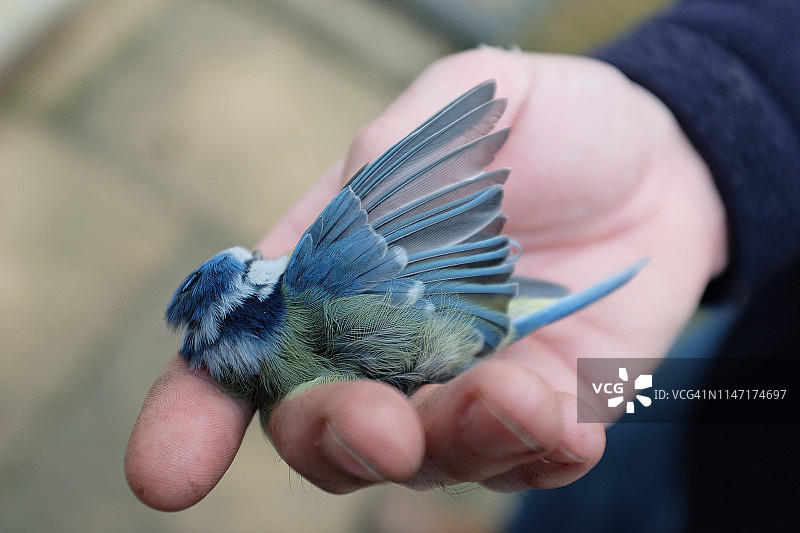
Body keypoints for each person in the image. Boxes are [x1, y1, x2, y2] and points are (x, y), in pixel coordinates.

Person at [125, 0, 800, 529]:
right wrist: (731, 114)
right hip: (752, 376)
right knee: (600, 434)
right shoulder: (313, 281)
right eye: (255, 265)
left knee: (588, 428)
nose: (266, 259)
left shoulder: (279, 360)